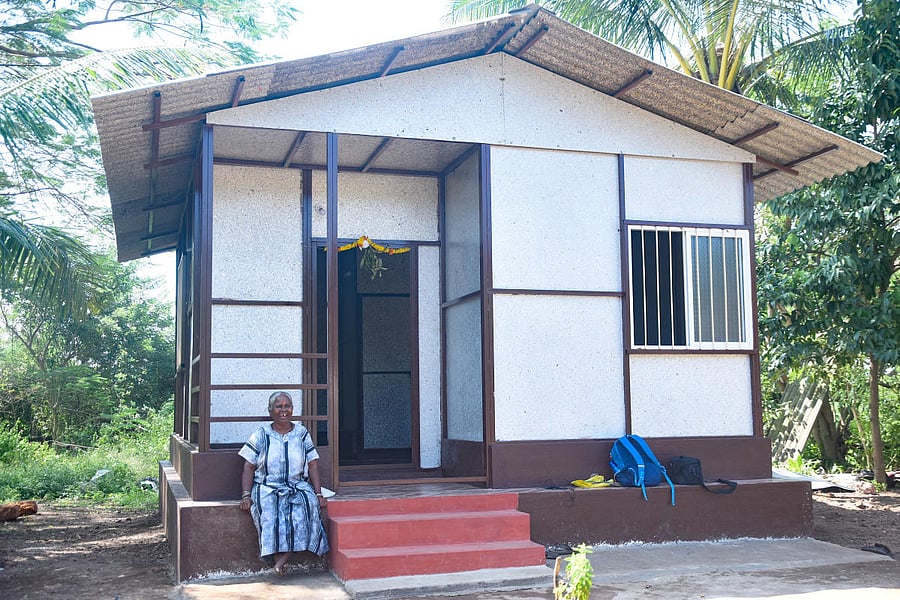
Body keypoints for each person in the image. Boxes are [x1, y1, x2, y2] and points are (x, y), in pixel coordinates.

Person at [238, 391, 329, 575]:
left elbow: (312, 465)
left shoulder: (302, 434)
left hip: (297, 485)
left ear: (292, 409)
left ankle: (282, 559)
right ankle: (275, 557)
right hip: (267, 486)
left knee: (307, 504)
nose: (283, 410)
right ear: (270, 410)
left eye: (287, 406)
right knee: (270, 510)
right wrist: (246, 495)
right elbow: (248, 467)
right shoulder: (261, 435)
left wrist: (318, 494)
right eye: (278, 406)